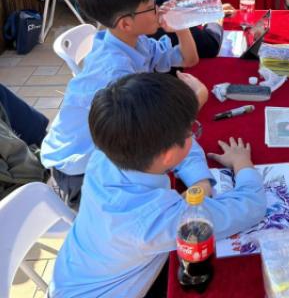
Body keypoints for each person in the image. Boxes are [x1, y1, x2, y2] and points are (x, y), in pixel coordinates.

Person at [49, 72, 267, 298]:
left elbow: (176, 144)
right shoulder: (158, 218)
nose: (193, 134)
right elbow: (251, 206)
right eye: (191, 129)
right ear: (168, 154)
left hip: (79, 271)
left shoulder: (106, 152)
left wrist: (200, 180)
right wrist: (242, 163)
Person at [41, 0, 202, 209]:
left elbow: (189, 59)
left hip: (111, 144)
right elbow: (152, 131)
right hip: (80, 171)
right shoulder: (114, 72)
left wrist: (181, 27)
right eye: (152, 5)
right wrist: (197, 99)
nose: (159, 9)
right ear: (126, 23)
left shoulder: (133, 41)